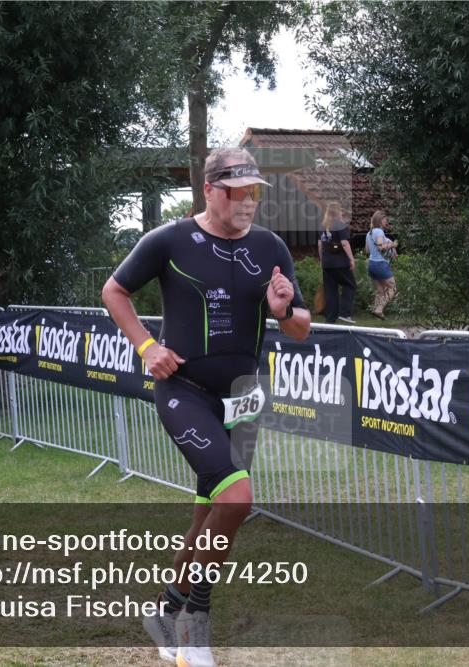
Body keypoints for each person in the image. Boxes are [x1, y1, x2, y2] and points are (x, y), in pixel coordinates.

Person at [101, 148, 310, 667]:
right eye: (239, 192)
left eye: (255, 193)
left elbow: (300, 326)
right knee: (236, 501)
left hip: (242, 395)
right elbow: (115, 290)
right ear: (210, 191)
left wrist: (284, 310)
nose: (249, 202)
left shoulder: (269, 247)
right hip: (185, 391)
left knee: (210, 513)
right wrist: (148, 347)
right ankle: (196, 623)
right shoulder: (169, 241)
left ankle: (167, 611)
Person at [317, 201, 357, 325]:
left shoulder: (323, 226)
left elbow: (320, 244)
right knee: (350, 285)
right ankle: (345, 313)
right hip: (340, 262)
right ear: (338, 211)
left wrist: (322, 260)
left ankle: (330, 318)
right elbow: (344, 243)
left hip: (327, 264)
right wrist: (351, 258)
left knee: (330, 290)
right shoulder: (340, 225)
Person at [365, 210, 398, 319]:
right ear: (380, 220)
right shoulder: (379, 231)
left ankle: (375, 311)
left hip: (371, 264)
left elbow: (367, 250)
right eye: (385, 220)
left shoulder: (369, 233)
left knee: (380, 290)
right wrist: (392, 245)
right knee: (392, 288)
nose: (386, 222)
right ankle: (379, 310)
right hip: (380, 264)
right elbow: (380, 246)